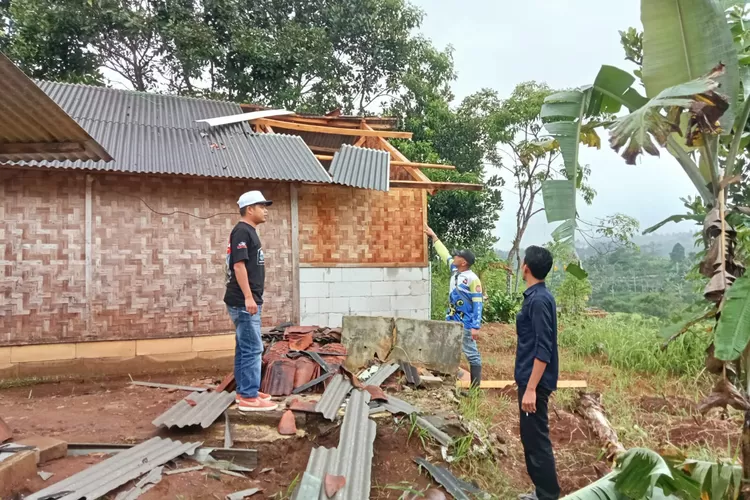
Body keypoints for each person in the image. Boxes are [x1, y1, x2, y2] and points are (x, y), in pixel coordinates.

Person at [224, 190, 278, 412]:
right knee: (253, 348)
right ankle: (248, 397)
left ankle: (244, 391)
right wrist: (248, 297)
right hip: (243, 301)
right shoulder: (242, 232)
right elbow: (238, 266)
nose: (265, 210)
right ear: (249, 209)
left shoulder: (248, 232)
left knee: (244, 347)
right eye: (261, 206)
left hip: (246, 300)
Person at [515, 246, 560, 500]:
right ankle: (542, 492)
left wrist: (531, 388)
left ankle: (547, 495)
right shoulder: (538, 296)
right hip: (530, 377)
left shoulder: (539, 301)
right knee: (531, 438)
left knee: (536, 441)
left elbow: (544, 349)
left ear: (526, 268)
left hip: (536, 382)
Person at [424, 225, 483, 388]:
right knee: (448, 349)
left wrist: (476, 326)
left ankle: (475, 388)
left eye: (457, 256)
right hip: (451, 320)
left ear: (463, 262)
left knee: (471, 353)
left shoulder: (472, 279)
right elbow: (445, 255)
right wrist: (434, 237)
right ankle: (449, 383)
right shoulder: (456, 272)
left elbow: (478, 303)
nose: (454, 257)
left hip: (466, 324)